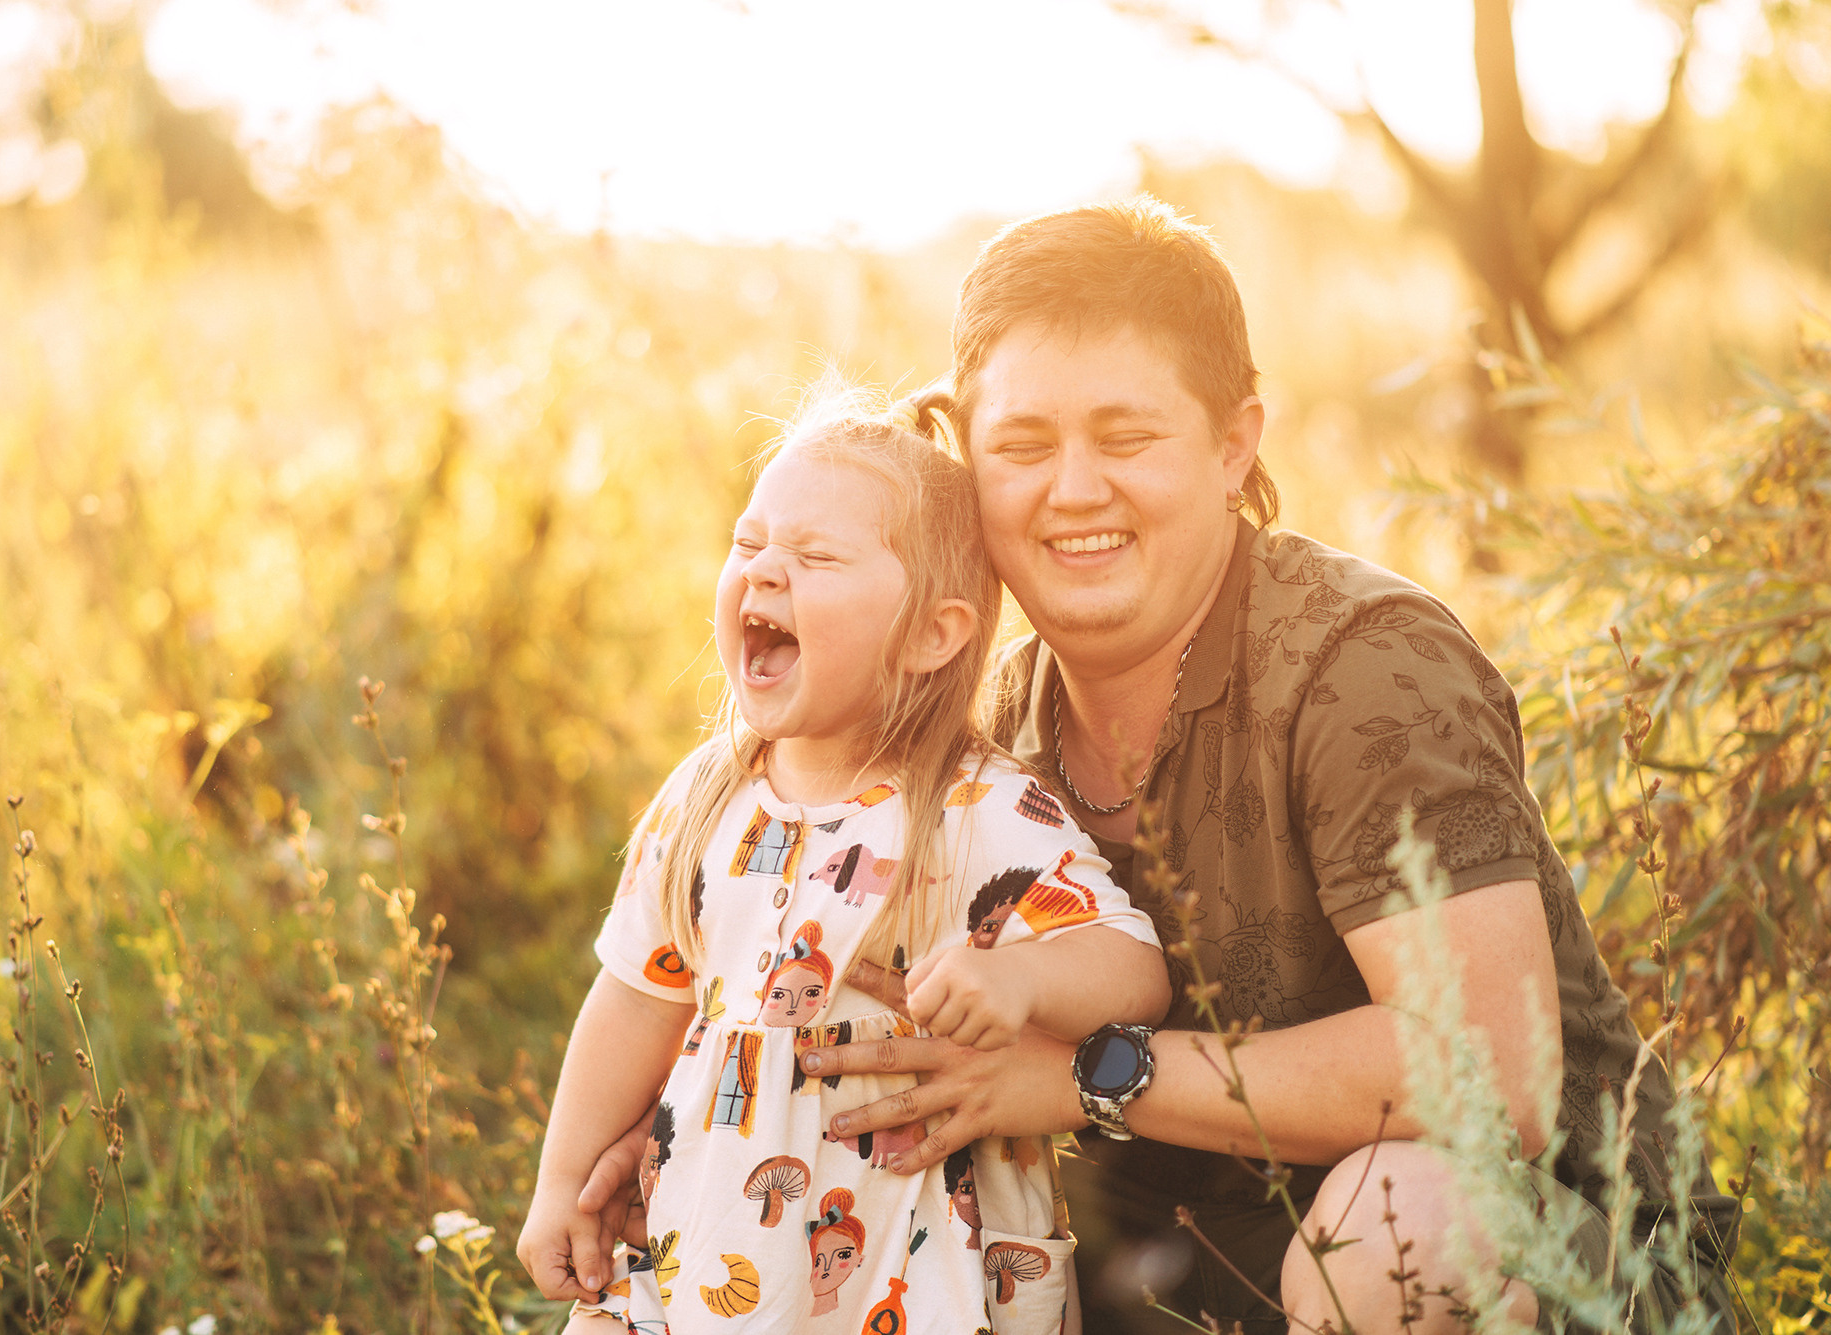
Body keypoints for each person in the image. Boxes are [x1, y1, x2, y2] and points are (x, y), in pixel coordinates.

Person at [578, 200, 1738, 1335]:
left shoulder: (1366, 669)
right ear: (962, 454)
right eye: (1021, 446)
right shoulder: (970, 736)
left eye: (1125, 437)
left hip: (1554, 1268)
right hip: (1156, 1281)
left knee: (1398, 1233)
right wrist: (707, 1141)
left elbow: (1491, 1074)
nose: (1073, 489)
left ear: (1234, 442)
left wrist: (1086, 1075)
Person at [516, 387, 1171, 1333]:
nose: (765, 572)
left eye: (815, 557)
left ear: (930, 635)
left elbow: (1134, 967)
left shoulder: (974, 805)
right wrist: (560, 1183)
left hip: (904, 1256)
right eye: (749, 545)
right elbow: (633, 996)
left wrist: (1022, 977)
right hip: (701, 1237)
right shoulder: (709, 793)